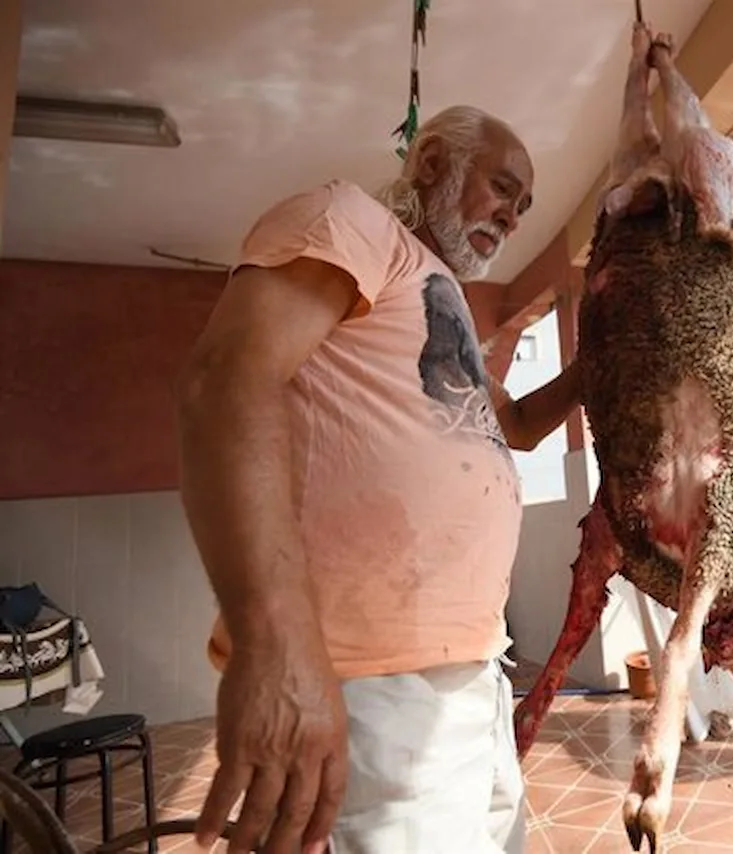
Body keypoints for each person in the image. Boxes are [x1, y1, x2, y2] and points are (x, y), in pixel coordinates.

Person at [177, 105, 582, 854]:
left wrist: (595, 371)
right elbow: (226, 382)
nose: (514, 216)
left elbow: (515, 425)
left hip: (475, 673)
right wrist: (275, 648)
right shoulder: (350, 221)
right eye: (502, 187)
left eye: (524, 206)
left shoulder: (443, 299)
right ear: (431, 165)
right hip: (374, 687)